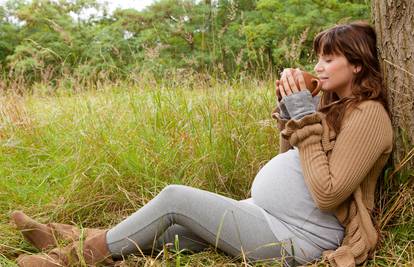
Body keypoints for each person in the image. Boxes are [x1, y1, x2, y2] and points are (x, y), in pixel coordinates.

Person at [11, 21, 393, 267]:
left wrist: (305, 119)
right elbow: (295, 162)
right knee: (164, 233)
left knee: (175, 199)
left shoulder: (369, 116)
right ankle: (64, 235)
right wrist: (291, 119)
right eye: (318, 59)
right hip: (265, 215)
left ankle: (71, 257)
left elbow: (327, 194)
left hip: (297, 240)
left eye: (329, 58)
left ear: (357, 64)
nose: (320, 66)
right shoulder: (333, 107)